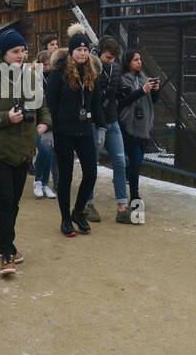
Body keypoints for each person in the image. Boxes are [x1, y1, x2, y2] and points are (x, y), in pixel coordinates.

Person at [0, 28, 51, 274]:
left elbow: (43, 105)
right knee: (5, 200)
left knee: (14, 201)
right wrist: (5, 117)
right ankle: (7, 251)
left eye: (24, 51)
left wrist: (43, 123)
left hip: (24, 149)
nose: (21, 55)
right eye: (16, 51)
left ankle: (7, 244)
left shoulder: (30, 77)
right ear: (3, 53)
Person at [45, 28, 100, 237]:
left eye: (85, 49)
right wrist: (50, 129)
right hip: (64, 132)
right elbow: (50, 103)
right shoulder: (58, 74)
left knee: (91, 174)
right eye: (78, 49)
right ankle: (65, 219)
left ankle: (78, 212)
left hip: (85, 130)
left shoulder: (91, 73)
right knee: (66, 177)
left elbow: (96, 104)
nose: (83, 53)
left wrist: (101, 126)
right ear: (71, 51)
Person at [87, 35, 131, 224]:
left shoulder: (117, 67)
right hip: (94, 122)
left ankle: (122, 206)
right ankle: (87, 204)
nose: (110, 60)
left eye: (113, 58)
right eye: (107, 57)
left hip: (112, 120)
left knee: (120, 162)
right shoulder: (89, 67)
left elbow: (116, 91)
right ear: (99, 54)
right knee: (91, 163)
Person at [117, 49, 159, 216]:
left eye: (140, 59)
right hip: (130, 126)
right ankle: (134, 196)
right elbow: (125, 100)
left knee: (137, 161)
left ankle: (127, 180)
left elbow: (153, 101)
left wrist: (155, 89)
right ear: (128, 62)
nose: (139, 62)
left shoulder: (143, 78)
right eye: (135, 60)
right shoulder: (123, 79)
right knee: (135, 161)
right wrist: (143, 90)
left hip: (144, 127)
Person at [32, 48, 59, 199]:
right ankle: (37, 180)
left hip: (53, 121)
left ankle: (44, 183)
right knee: (44, 150)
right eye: (45, 64)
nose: (48, 67)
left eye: (50, 64)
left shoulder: (56, 77)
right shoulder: (34, 78)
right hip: (38, 120)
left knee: (49, 151)